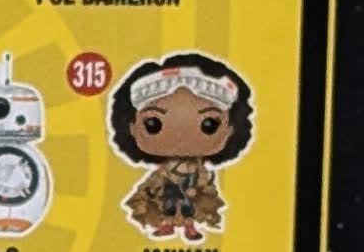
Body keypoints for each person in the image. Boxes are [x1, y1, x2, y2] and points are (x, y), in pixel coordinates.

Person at [109, 53, 255, 240]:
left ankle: (189, 227)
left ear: (230, 130)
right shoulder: (166, 168)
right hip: (169, 191)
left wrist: (202, 189)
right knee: (168, 207)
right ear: (132, 128)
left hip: (189, 191)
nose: (180, 136)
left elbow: (203, 179)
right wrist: (151, 188)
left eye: (209, 124)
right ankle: (167, 225)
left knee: (188, 209)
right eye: (153, 124)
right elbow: (157, 177)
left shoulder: (196, 167)